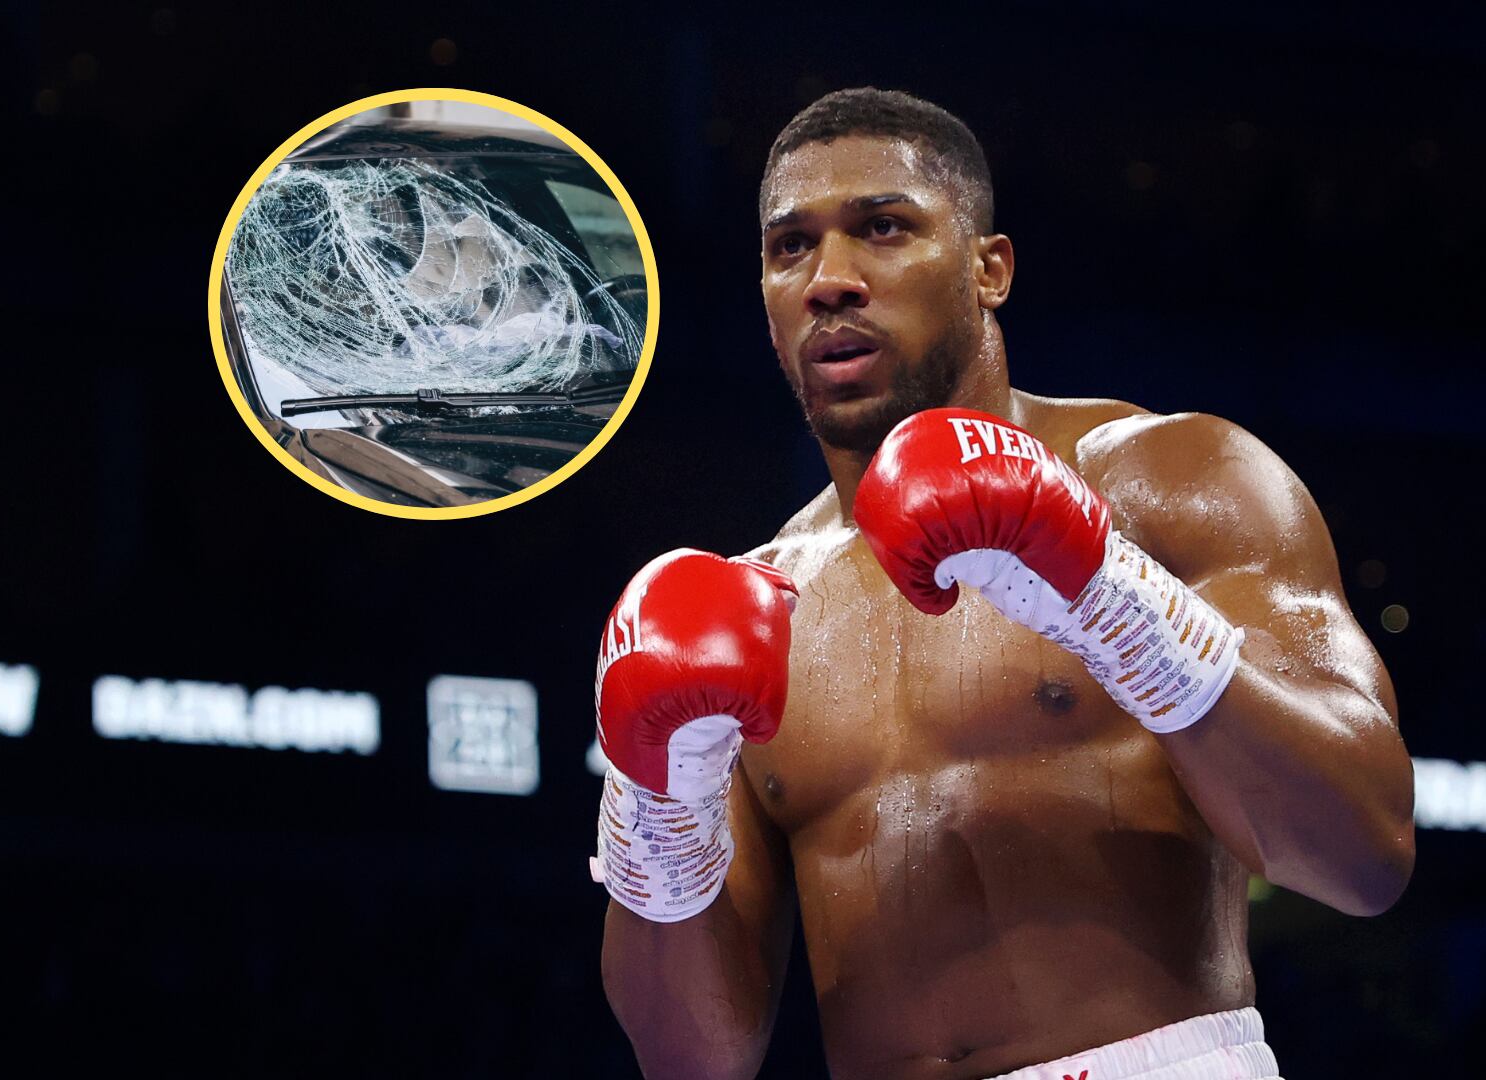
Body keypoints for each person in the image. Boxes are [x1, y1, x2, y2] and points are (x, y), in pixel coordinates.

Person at [592, 88, 1414, 1080]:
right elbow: (689, 1058)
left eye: (882, 228)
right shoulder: (753, 615)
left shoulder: (1174, 481)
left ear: (990, 269)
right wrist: (656, 799)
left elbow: (1364, 856)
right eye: (790, 248)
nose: (830, 281)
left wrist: (1107, 593)